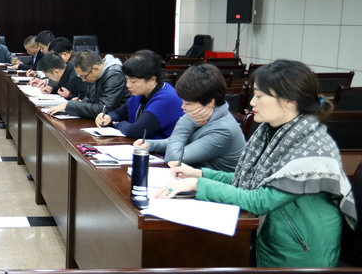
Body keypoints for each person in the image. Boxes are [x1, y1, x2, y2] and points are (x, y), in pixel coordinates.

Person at [160, 60, 357, 267]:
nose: (252, 102)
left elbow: (261, 199)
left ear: (289, 100)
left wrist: (198, 185)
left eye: (259, 96)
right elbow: (250, 178)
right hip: (273, 237)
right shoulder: (272, 132)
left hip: (301, 252)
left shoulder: (313, 147)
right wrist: (200, 174)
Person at [133, 63, 245, 171]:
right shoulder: (209, 115)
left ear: (210, 102)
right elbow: (180, 143)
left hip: (213, 183)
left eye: (188, 104)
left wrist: (186, 122)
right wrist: (150, 144)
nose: (183, 107)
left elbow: (173, 159)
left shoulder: (223, 130)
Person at [95, 50, 183, 139]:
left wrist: (117, 124)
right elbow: (119, 113)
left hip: (162, 147)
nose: (128, 85)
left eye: (133, 81)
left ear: (152, 80)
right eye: (127, 79)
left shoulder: (166, 98)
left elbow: (137, 131)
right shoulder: (140, 93)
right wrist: (108, 118)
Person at [45, 50, 130, 118]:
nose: (83, 80)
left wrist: (70, 105)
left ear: (95, 68)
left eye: (84, 76)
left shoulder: (114, 76)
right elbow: (90, 99)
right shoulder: (96, 74)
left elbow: (103, 109)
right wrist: (80, 103)